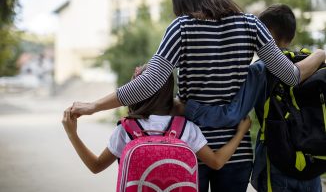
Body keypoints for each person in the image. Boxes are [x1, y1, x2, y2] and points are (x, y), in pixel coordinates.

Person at [69, 0, 324, 192]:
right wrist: (321, 53)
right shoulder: (251, 25)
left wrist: (94, 106)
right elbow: (291, 76)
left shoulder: (181, 27)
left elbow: (149, 83)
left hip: (189, 146)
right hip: (236, 150)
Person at [181, 4, 324, 191]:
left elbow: (232, 114)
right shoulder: (313, 65)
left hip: (277, 162)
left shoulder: (261, 69)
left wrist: (188, 109)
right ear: (291, 37)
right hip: (313, 162)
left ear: (264, 34)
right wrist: (321, 54)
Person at [62, 65, 252, 180]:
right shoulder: (185, 128)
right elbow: (217, 162)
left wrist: (72, 134)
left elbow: (95, 166)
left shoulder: (126, 130)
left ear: (134, 93)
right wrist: (240, 132)